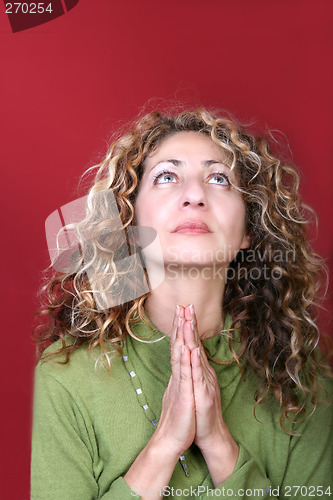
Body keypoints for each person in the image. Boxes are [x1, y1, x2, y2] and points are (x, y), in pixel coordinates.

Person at [31, 107, 333, 500]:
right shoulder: (65, 379)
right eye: (167, 176)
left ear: (248, 230)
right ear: (129, 219)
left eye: (219, 178)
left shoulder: (303, 385)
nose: (194, 195)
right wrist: (164, 446)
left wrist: (221, 445)